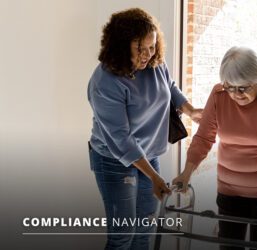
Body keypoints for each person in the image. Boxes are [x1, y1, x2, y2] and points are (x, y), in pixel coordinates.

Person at [87, 8, 202, 250]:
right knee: (123, 234)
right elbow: (121, 139)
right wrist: (154, 177)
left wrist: (191, 111)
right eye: (141, 48)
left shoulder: (154, 62)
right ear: (120, 45)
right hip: (113, 160)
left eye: (152, 46)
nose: (148, 54)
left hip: (147, 154)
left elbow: (168, 86)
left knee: (144, 230)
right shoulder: (105, 82)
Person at [173, 47, 257, 250]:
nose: (236, 94)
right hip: (229, 192)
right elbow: (203, 137)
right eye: (230, 87)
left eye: (243, 88)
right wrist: (186, 173)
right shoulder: (219, 94)